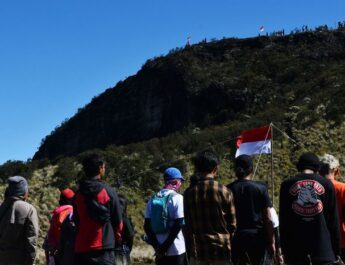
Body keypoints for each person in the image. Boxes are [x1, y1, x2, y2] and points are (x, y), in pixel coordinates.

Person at [279, 152, 340, 264]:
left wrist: (284, 249)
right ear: (317, 167)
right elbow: (334, 221)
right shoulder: (327, 184)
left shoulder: (286, 185)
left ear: (299, 166)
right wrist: (336, 250)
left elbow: (283, 221)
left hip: (295, 251)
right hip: (323, 251)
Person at [184, 150, 236, 265]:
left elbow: (188, 225)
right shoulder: (225, 191)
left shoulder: (188, 193)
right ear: (215, 169)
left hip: (199, 251)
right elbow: (232, 225)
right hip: (221, 250)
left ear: (196, 169)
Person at [74, 154, 123, 265]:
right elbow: (118, 222)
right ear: (100, 168)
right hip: (103, 249)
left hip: (81, 249)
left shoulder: (78, 194)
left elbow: (77, 221)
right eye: (104, 167)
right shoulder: (108, 191)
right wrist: (117, 238)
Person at [227, 154, 275, 265]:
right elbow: (268, 218)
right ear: (251, 169)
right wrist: (272, 241)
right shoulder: (261, 188)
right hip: (257, 237)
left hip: (237, 238)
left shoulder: (228, 189)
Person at [144, 167, 186, 265]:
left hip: (159, 251)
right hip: (176, 249)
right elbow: (179, 224)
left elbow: (146, 226)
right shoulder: (178, 198)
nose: (181, 184)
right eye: (180, 181)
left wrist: (158, 248)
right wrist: (165, 247)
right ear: (175, 182)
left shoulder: (152, 200)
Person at [0, 176, 39, 265]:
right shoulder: (29, 209)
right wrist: (31, 260)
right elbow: (32, 238)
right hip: (20, 259)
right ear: (24, 192)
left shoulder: (2, 207)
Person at [320, 154, 345, 261]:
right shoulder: (342, 188)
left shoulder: (313, 188)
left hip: (320, 242)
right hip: (341, 241)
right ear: (336, 170)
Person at [45, 188, 75, 265]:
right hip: (70, 252)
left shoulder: (56, 213)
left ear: (60, 200)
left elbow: (51, 233)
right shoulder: (73, 212)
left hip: (56, 251)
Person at [115, 195, 135, 265]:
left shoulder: (110, 217)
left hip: (112, 250)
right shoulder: (124, 219)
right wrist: (128, 249)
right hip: (123, 249)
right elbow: (130, 235)